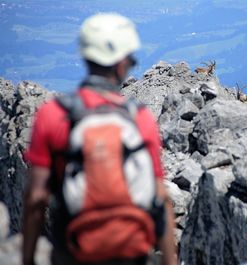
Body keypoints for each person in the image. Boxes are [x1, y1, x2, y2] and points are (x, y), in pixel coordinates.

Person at [22, 13, 177, 265]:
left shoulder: (53, 114)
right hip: (132, 252)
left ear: (85, 56)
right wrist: (170, 261)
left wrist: (27, 259)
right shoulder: (140, 119)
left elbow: (36, 198)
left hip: (73, 252)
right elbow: (160, 198)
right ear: (121, 63)